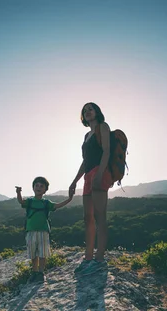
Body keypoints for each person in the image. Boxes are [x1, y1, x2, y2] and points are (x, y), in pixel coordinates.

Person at [69, 102, 113, 275]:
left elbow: (107, 151)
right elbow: (84, 161)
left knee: (100, 216)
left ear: (97, 112)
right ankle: (88, 256)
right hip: (88, 174)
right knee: (87, 217)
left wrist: (100, 175)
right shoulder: (86, 135)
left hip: (100, 172)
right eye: (84, 110)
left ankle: (100, 258)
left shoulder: (103, 127)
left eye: (90, 109)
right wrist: (74, 181)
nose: (87, 112)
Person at [16, 177, 74, 283]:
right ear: (33, 187)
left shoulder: (46, 203)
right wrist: (18, 193)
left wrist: (69, 199)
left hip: (43, 231)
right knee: (33, 253)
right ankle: (34, 272)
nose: (38, 187)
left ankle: (41, 273)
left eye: (41, 186)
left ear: (45, 190)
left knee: (42, 253)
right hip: (31, 231)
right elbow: (21, 201)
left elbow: (58, 205)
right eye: (36, 185)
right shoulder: (29, 201)